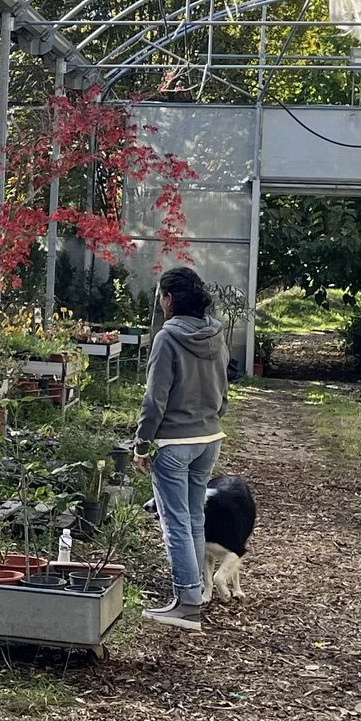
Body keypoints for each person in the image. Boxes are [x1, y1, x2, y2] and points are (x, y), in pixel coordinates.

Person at [135, 265, 229, 634]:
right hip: (209, 440)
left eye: (160, 296)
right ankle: (197, 595)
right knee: (193, 518)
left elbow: (155, 399)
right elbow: (224, 386)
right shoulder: (216, 333)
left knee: (175, 523)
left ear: (170, 299)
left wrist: (141, 444)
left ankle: (187, 603)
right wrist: (213, 416)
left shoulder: (167, 338)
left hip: (174, 444)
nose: (160, 303)